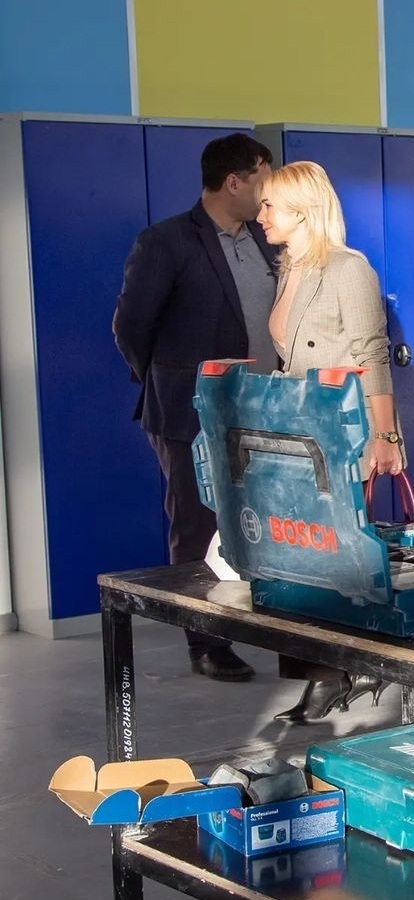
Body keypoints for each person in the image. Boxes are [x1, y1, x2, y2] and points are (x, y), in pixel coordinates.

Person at [114, 133, 279, 682]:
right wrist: (168, 380)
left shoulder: (265, 238)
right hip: (191, 412)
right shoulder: (165, 242)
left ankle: (268, 625)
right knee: (197, 525)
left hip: (260, 410)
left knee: (270, 522)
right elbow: (131, 327)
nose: (269, 193)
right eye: (262, 180)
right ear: (233, 182)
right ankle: (206, 642)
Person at [257, 161, 405, 723]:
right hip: (297, 428)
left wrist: (385, 436)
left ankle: (347, 667)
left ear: (302, 211)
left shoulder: (347, 268)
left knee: (331, 554)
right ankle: (323, 673)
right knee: (296, 554)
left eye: (270, 205)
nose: (261, 214)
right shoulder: (289, 268)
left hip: (342, 430)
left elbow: (372, 354)